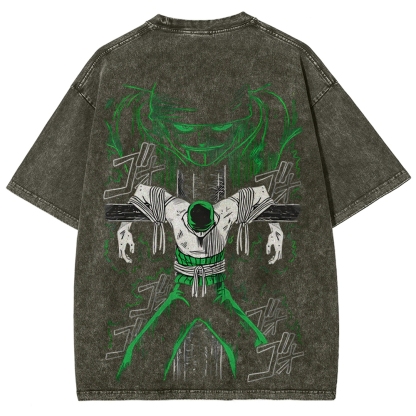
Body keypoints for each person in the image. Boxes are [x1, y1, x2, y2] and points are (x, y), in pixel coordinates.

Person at [115, 184, 284, 380]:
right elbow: (143, 192)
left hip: (216, 294)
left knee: (253, 349)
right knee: (143, 353)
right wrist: (124, 228)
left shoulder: (226, 211)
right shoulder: (176, 210)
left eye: (206, 231)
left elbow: (260, 193)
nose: (201, 237)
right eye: (197, 231)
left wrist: (276, 229)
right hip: (183, 294)